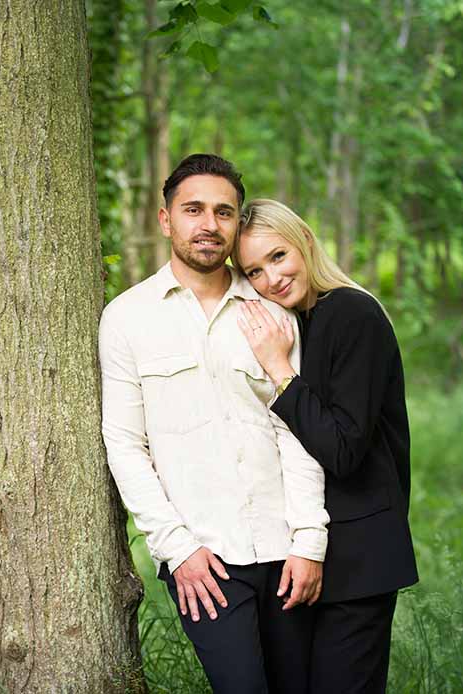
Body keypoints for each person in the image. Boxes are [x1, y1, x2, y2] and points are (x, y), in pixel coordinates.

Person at [99, 154, 330, 693]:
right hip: (204, 562)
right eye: (193, 210)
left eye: (224, 212)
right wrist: (176, 549)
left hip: (284, 551)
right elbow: (126, 445)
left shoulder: (272, 311)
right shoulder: (128, 318)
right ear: (165, 219)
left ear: (237, 221)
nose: (209, 225)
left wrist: (308, 541)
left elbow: (294, 433)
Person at [233, 198, 419, 694]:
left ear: (305, 243)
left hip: (359, 555)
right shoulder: (298, 321)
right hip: (303, 553)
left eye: (278, 257)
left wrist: (280, 372)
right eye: (254, 271)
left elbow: (343, 450)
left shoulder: (353, 314)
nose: (271, 278)